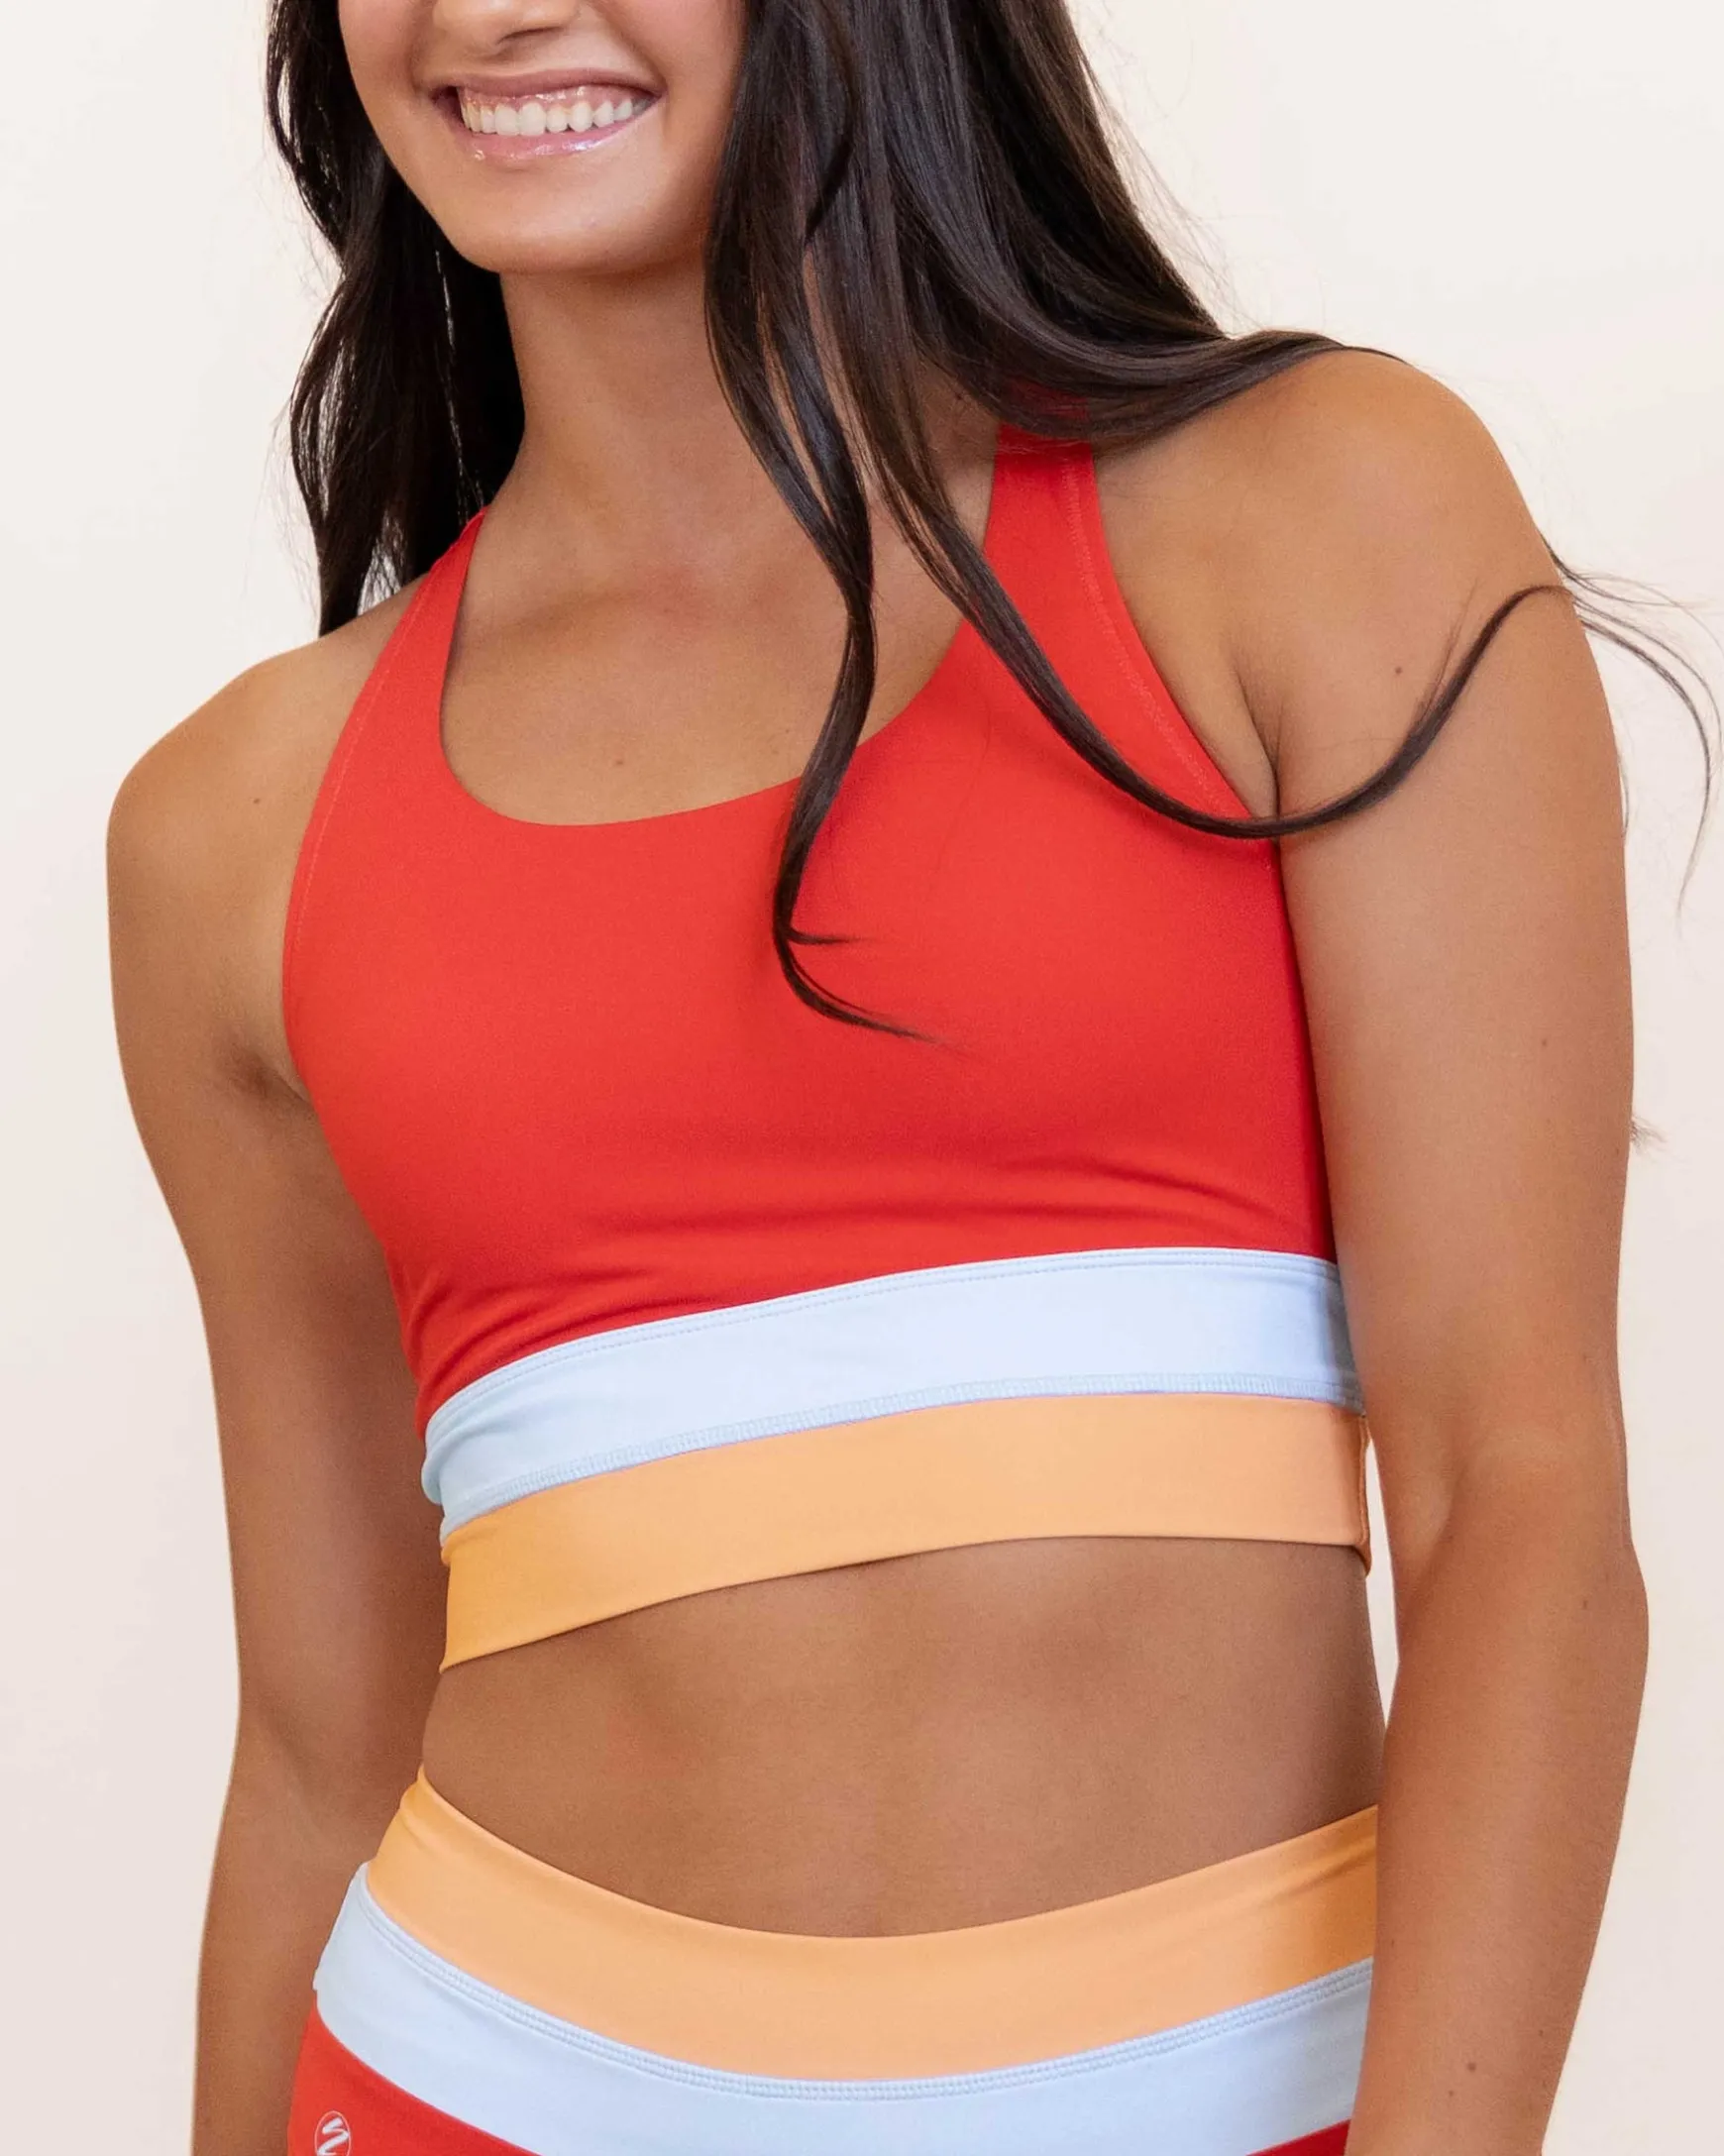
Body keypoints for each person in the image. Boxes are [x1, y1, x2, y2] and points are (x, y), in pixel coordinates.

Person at [107, 3, 1665, 2152]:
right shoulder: (237, 834)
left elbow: (1520, 1493)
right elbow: (312, 1752)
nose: (488, 12)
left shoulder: (1316, 527)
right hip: (474, 2088)